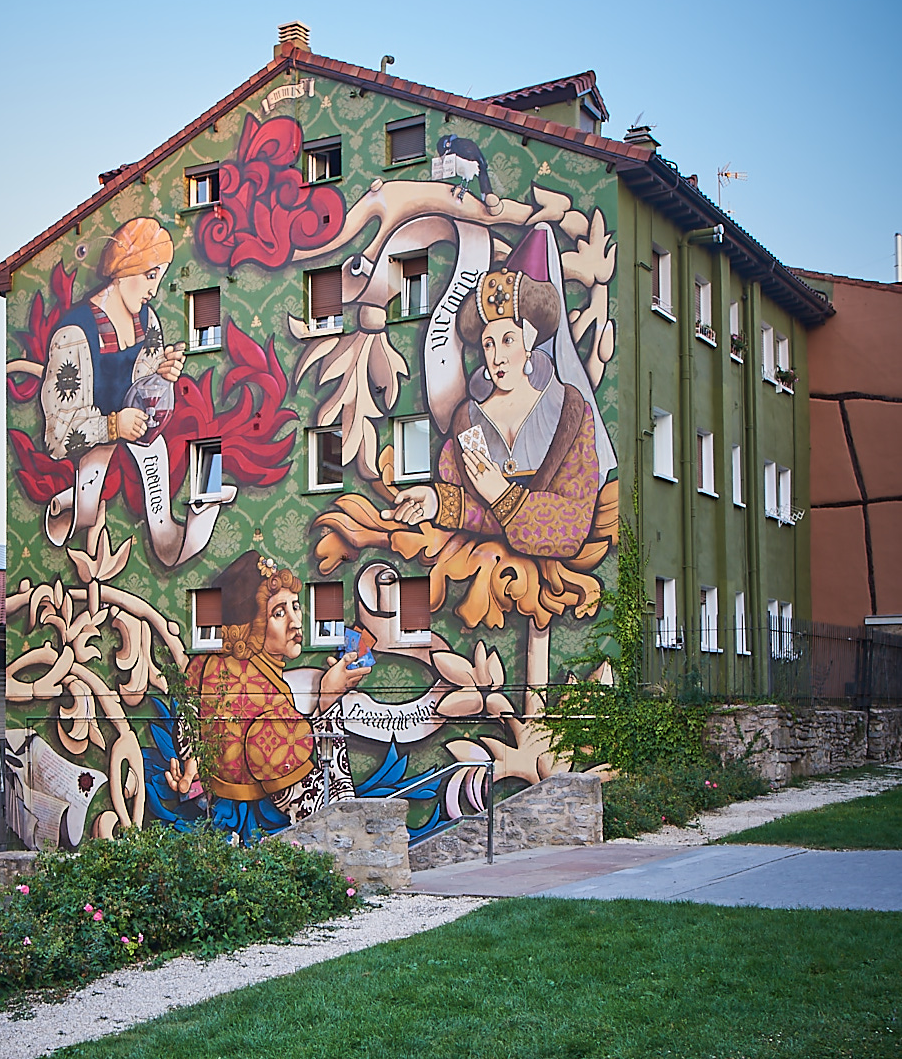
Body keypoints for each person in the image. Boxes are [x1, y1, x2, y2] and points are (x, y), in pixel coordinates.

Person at [385, 227, 603, 561]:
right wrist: (437, 503)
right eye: (488, 344)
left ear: (529, 341)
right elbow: (487, 516)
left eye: (507, 340)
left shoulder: (567, 413)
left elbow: (572, 525)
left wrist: (501, 492)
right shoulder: (469, 423)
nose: (497, 356)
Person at [164, 551, 369, 831]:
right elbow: (327, 815)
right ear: (253, 627)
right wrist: (328, 700)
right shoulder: (267, 708)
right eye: (279, 613)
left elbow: (190, 726)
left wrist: (192, 766)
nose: (296, 623)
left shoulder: (205, 666)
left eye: (295, 606)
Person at [40, 218, 186, 462]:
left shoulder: (147, 320)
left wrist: (163, 375)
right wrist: (113, 425)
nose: (153, 291)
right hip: (89, 469)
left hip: (139, 461)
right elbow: (57, 438)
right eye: (150, 276)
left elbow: (146, 398)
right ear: (123, 268)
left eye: (159, 278)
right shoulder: (74, 335)